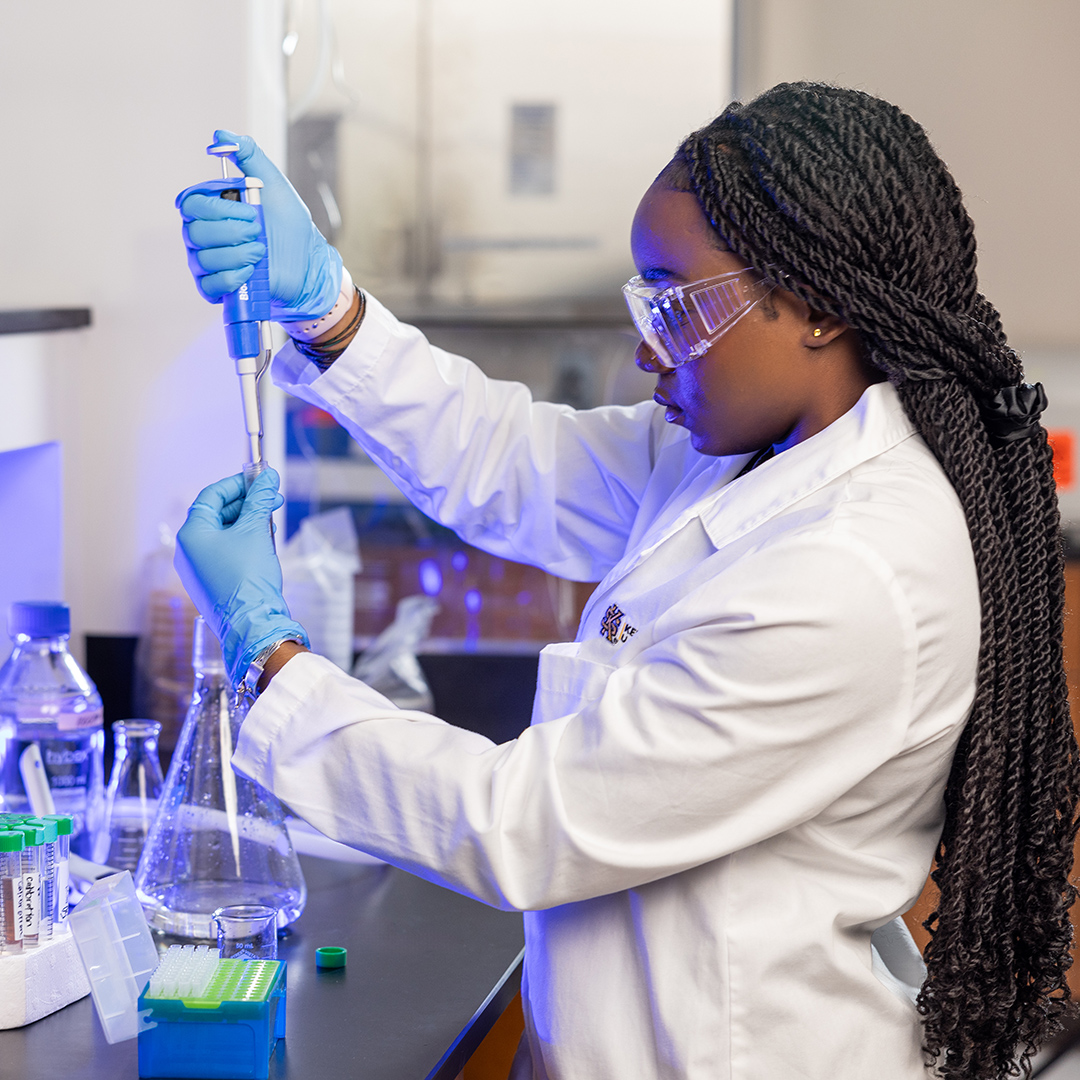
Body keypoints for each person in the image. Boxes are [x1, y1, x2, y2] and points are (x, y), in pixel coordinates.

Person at [174, 83, 1078, 1080]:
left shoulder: (852, 571)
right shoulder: (752, 454)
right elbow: (512, 461)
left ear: (817, 306)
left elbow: (517, 824)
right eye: (642, 299)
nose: (645, 345)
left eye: (676, 303)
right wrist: (331, 312)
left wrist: (266, 649)